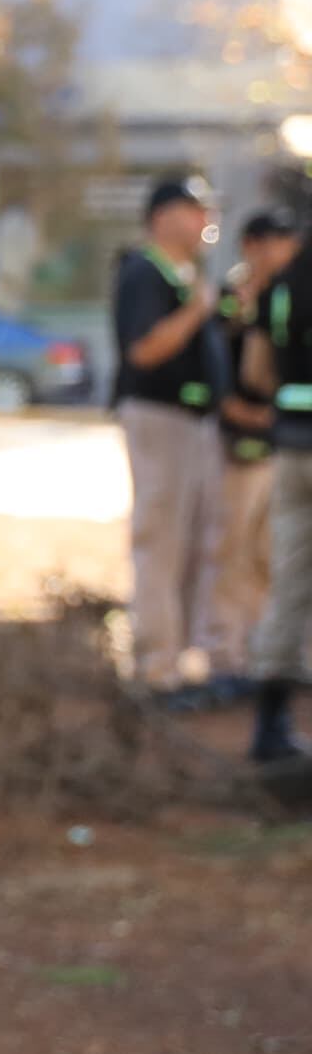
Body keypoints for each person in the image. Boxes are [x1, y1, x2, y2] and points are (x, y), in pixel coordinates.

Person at [113, 174, 224, 698]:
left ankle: (177, 659)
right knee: (160, 540)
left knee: (193, 542)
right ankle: (156, 665)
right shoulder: (144, 270)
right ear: (162, 217)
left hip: (193, 421)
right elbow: (143, 351)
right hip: (160, 417)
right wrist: (197, 311)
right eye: (193, 209)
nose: (205, 220)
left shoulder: (186, 273)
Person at [205, 210, 296, 693]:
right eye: (269, 243)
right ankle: (227, 655)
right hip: (238, 445)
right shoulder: (230, 300)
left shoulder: (289, 294)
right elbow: (221, 367)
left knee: (269, 556)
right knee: (231, 552)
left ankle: (263, 655)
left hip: (279, 446)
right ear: (251, 246)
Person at [232, 231, 312, 765]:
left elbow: (254, 373)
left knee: (288, 582)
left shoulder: (283, 284)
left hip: (291, 450)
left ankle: (269, 727)